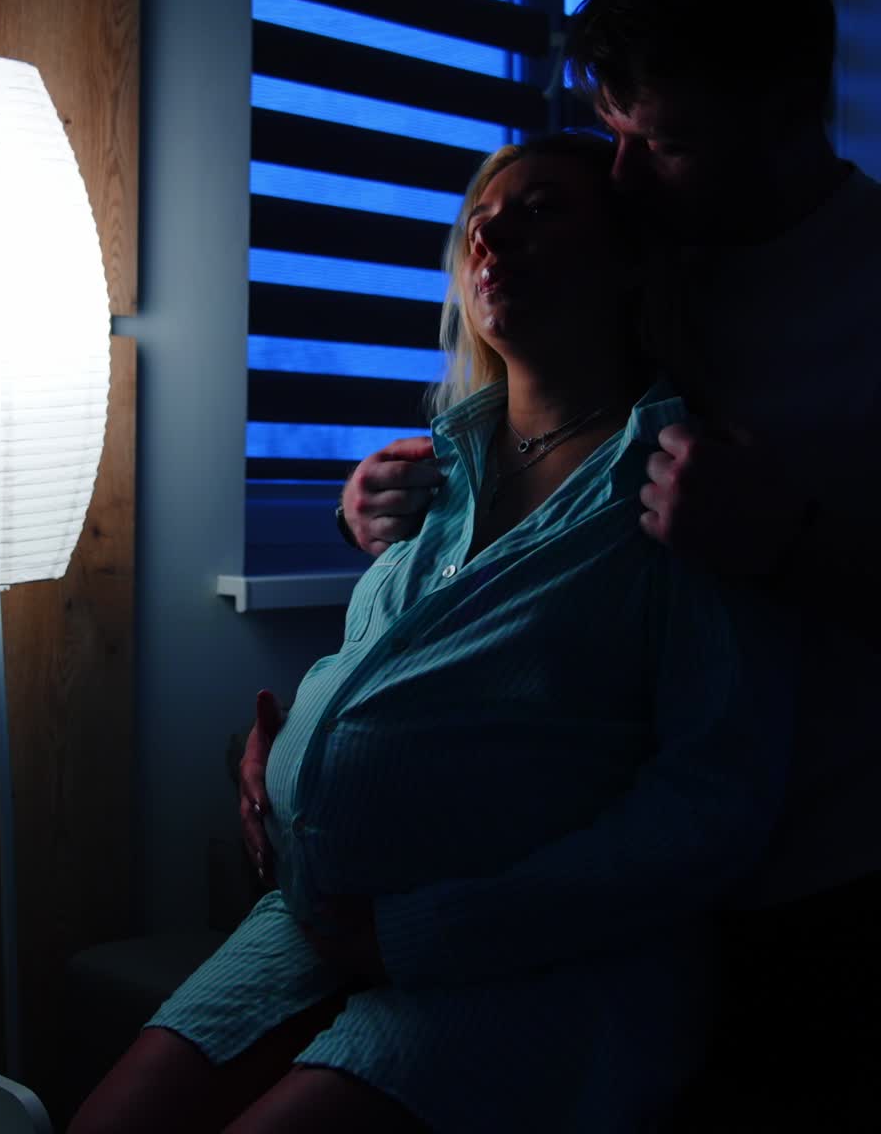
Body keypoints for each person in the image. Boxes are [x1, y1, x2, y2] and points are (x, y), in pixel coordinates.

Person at [70, 133, 794, 1134]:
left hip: (534, 960)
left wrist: (431, 926)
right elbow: (399, 676)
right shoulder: (434, 470)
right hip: (313, 915)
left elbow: (710, 801)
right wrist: (284, 767)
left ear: (630, 258)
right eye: (477, 220)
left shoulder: (676, 484)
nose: (490, 229)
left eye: (540, 208)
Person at [292, 0, 881, 1128]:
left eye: (658, 144)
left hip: (835, 879)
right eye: (612, 135)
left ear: (784, 106)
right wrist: (385, 503)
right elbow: (529, 459)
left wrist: (796, 546)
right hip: (611, 880)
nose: (618, 179)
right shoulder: (648, 260)